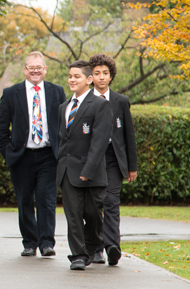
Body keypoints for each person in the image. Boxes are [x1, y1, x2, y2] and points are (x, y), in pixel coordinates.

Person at [0, 51, 66, 257]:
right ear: (25, 70)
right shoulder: (11, 93)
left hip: (48, 156)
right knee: (24, 200)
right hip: (22, 156)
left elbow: (63, 125)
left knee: (47, 200)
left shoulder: (57, 91)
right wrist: (8, 153)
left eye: (39, 67)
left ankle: (46, 243)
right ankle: (29, 242)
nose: (35, 71)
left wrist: (61, 151)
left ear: (45, 69)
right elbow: (1, 128)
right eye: (31, 67)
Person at [57, 60, 113, 270]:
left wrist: (88, 170)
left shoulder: (100, 105)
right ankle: (78, 255)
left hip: (92, 173)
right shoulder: (64, 107)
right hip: (67, 172)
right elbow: (63, 141)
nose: (72, 79)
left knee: (92, 215)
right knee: (73, 217)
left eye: (77, 76)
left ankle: (93, 246)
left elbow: (99, 142)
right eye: (70, 76)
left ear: (89, 80)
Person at [88, 54, 138, 266]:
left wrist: (132, 166)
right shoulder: (83, 101)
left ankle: (112, 247)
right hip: (91, 159)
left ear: (111, 76)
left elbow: (129, 136)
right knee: (93, 205)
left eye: (105, 73)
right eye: (97, 73)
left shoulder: (120, 101)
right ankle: (96, 247)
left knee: (111, 202)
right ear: (90, 77)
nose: (101, 77)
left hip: (113, 159)